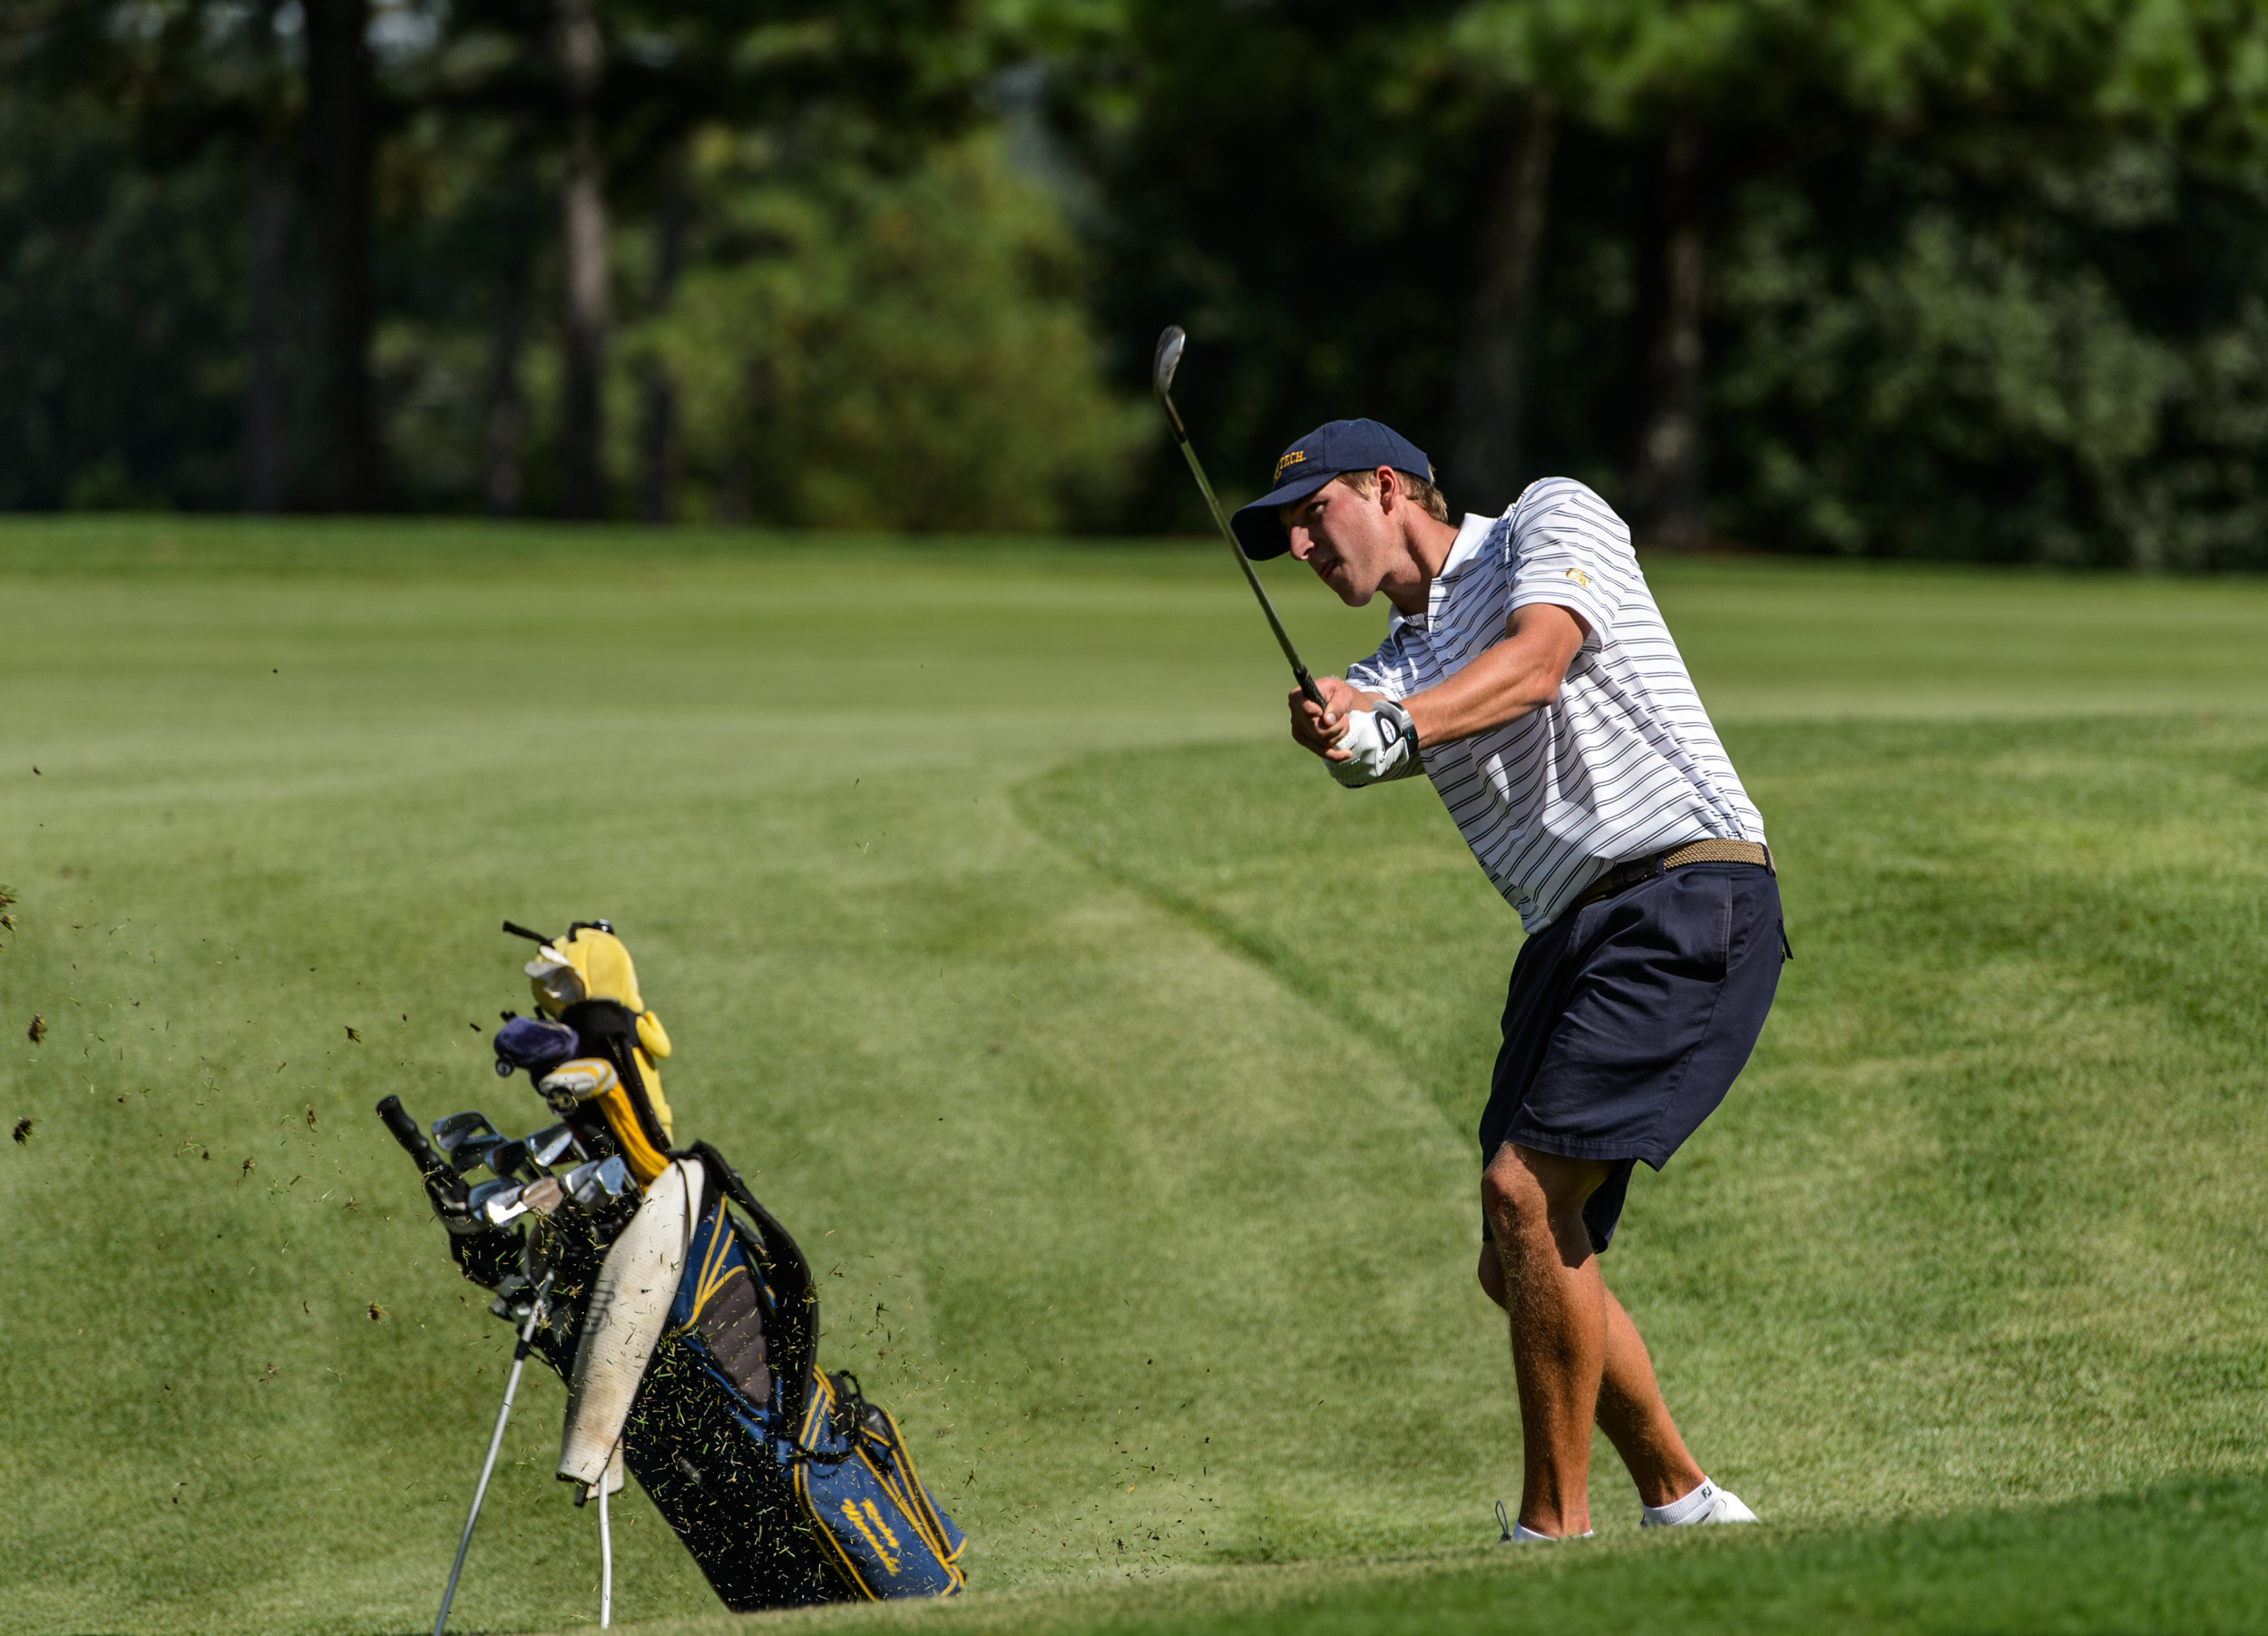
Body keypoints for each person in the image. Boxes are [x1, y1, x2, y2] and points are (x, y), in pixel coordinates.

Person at [1231, 419, 1784, 1541]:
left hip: (1683, 886)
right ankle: (1687, 1504)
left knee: (1525, 1197)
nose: (1299, 546)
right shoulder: (1398, 660)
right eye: (1282, 534)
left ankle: (1548, 1532)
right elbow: (1370, 733)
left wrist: (1392, 719)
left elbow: (1535, 663)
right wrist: (1338, 724)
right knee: (1515, 1256)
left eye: (1311, 514)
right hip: (1566, 935)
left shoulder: (1548, 515)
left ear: (1386, 487)